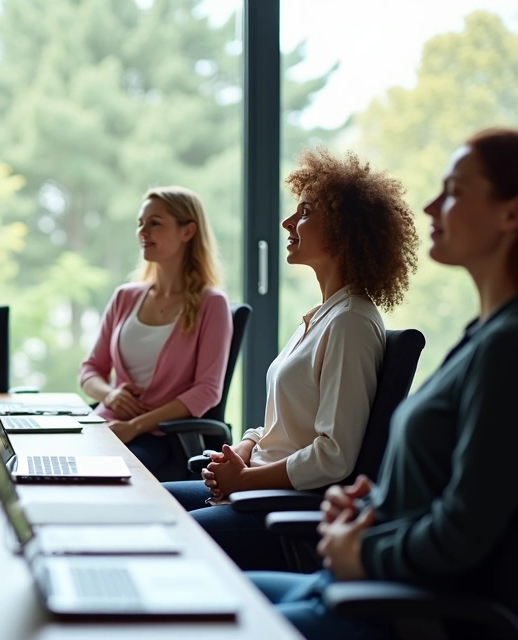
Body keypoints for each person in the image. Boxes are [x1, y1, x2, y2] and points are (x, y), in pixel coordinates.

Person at [249, 128, 518, 639]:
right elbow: (445, 490)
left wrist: (363, 548)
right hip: (369, 588)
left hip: (405, 612)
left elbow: (465, 529)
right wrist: (370, 507)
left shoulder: (516, 347)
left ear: (514, 213)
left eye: (454, 191)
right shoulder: (490, 334)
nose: (430, 205)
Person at [165, 147, 419, 571]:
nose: (287, 222)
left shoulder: (351, 323)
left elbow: (333, 454)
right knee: (145, 504)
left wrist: (245, 480)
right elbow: (281, 424)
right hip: (257, 486)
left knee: (166, 533)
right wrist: (243, 451)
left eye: (304, 212)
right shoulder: (320, 318)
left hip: (281, 506)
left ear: (342, 228)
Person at [78, 186, 232, 481]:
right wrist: (110, 395)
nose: (143, 231)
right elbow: (90, 370)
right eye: (140, 223)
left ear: (188, 232)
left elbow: (207, 390)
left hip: (161, 436)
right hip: (107, 422)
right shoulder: (125, 297)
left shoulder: (212, 304)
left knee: (105, 475)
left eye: (155, 223)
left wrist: (135, 425)